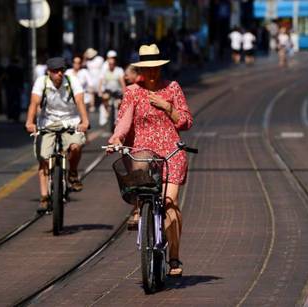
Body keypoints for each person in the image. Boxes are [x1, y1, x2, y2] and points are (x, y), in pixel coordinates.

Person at [107, 44, 193, 277]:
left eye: (155, 68)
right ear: (141, 69)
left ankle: (174, 256)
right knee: (144, 189)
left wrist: (167, 107)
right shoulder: (133, 91)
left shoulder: (172, 88)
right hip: (144, 154)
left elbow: (185, 121)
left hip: (171, 153)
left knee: (169, 202)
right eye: (147, 69)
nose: (152, 73)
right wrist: (117, 137)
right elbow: (124, 120)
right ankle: (142, 216)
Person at [25, 57, 89, 212]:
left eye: (61, 70)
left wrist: (85, 121)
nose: (59, 74)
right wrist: (30, 122)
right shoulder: (42, 82)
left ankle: (72, 173)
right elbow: (34, 103)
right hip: (48, 123)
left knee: (76, 146)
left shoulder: (72, 81)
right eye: (55, 71)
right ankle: (44, 197)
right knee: (44, 158)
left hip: (71, 121)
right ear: (49, 72)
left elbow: (80, 101)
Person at [98, 56, 126, 127]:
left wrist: (124, 92)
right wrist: (100, 91)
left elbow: (122, 82)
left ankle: (119, 116)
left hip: (117, 91)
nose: (111, 65)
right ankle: (107, 110)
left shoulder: (119, 70)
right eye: (109, 64)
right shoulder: (105, 70)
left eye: (112, 64)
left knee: (118, 103)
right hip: (108, 91)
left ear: (115, 64)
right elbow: (101, 81)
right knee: (104, 97)